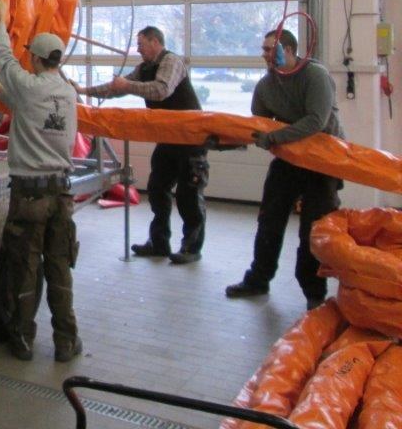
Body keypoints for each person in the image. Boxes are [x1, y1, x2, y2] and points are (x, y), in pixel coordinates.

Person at [0, 0, 81, 363]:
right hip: (61, 193)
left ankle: (22, 339)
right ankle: (66, 341)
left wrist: (0, 18)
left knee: (24, 268)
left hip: (29, 196)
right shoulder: (67, 92)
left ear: (37, 59)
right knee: (59, 268)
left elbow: (3, 55)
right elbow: (27, 108)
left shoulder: (29, 85)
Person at [225, 28, 344, 310]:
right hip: (289, 158)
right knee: (269, 219)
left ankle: (315, 294)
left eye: (270, 49)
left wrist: (275, 137)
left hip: (323, 160)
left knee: (313, 228)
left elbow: (315, 121)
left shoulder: (315, 76)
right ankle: (258, 280)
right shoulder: (266, 86)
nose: (264, 55)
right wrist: (226, 140)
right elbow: (258, 124)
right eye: (264, 49)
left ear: (289, 50)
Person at [77, 26, 209, 264]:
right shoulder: (144, 68)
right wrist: (83, 90)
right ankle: (159, 243)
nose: (138, 50)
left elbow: (161, 90)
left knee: (188, 195)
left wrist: (127, 86)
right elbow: (117, 87)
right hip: (168, 139)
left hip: (190, 139)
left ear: (155, 41)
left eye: (141, 44)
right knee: (157, 189)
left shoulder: (172, 61)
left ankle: (191, 247)